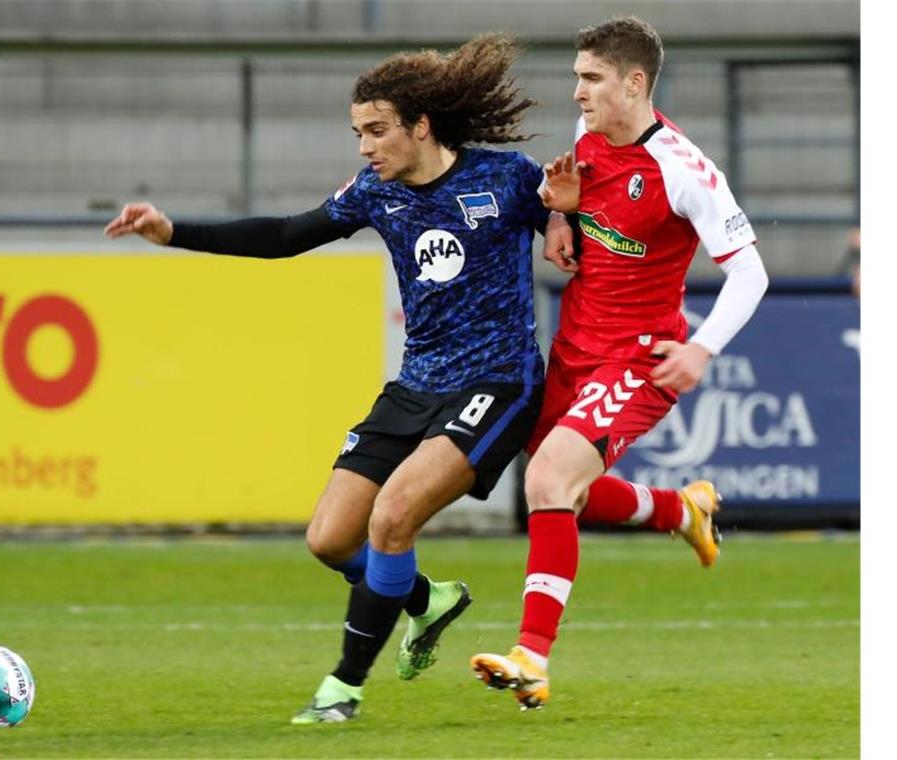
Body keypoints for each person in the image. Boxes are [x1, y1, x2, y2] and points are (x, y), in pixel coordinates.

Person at [106, 33, 564, 724]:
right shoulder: (376, 193)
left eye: (377, 131)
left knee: (393, 517)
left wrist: (567, 214)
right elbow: (288, 235)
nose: (364, 147)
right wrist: (174, 232)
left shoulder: (506, 178)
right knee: (330, 539)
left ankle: (342, 687)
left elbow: (581, 222)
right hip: (416, 384)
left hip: (497, 382)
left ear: (421, 125)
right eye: (358, 132)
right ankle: (427, 601)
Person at [470, 16, 770, 711]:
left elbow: (750, 272)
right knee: (557, 489)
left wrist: (702, 348)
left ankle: (531, 659)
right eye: (578, 77)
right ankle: (679, 511)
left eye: (591, 79)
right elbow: (582, 209)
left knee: (548, 479)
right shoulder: (589, 139)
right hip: (575, 346)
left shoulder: (685, 170)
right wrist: (561, 220)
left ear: (634, 83)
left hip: (638, 359)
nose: (577, 93)